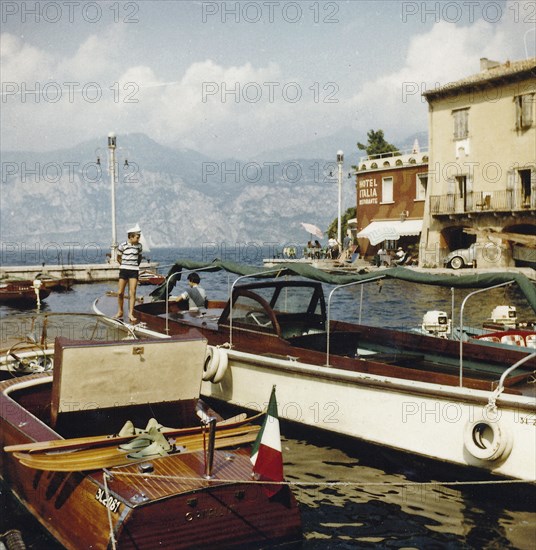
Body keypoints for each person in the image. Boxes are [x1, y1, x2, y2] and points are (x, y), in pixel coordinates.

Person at [114, 225, 143, 323]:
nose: (138, 238)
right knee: (120, 292)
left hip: (134, 270)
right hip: (124, 270)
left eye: (139, 236)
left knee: (133, 292)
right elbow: (118, 257)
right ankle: (120, 311)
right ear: (131, 237)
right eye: (137, 237)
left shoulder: (139, 246)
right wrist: (124, 265)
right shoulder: (123, 245)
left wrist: (135, 266)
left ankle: (131, 313)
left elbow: (139, 257)